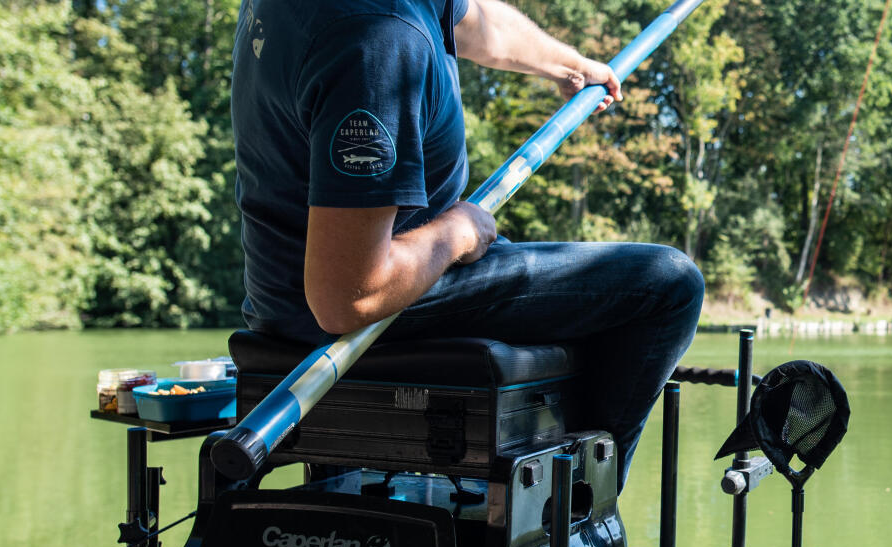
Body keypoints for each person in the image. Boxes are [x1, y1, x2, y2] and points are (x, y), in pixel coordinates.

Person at [230, 0, 704, 485]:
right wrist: (457, 232)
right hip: (359, 300)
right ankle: (581, 509)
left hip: (295, 287)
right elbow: (348, 298)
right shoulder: (378, 37)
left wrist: (572, 66)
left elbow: (476, 22)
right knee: (667, 285)